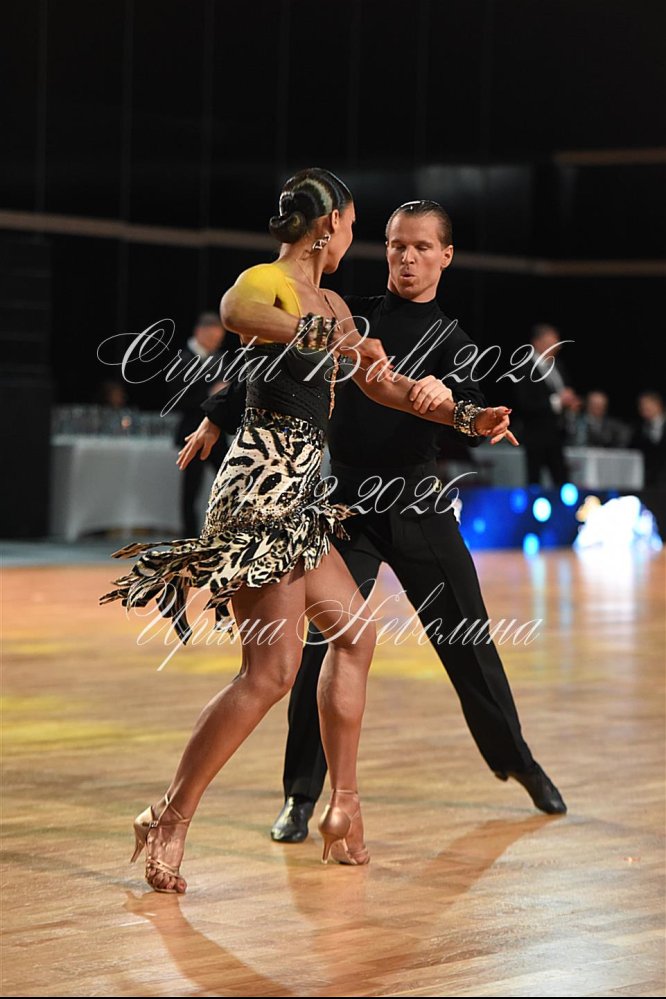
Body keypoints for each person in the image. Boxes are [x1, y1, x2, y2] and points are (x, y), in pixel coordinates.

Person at [99, 172, 516, 894]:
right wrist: (330, 339)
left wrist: (464, 416)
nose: (360, 240)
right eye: (353, 226)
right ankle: (168, 816)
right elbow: (238, 311)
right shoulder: (271, 284)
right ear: (328, 228)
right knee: (269, 674)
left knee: (356, 634)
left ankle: (343, 807)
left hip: (301, 499)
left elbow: (380, 383)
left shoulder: (335, 306)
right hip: (259, 491)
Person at [183, 199, 566, 848]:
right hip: (344, 507)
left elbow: (467, 406)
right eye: (395, 245)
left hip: (417, 504)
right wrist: (217, 416)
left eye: (421, 247)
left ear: (446, 256)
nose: (407, 258)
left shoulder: (455, 341)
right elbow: (271, 360)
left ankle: (520, 763)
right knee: (321, 647)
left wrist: (457, 402)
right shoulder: (348, 316)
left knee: (469, 642)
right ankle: (300, 796)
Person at [171, 312, 241, 536]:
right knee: (191, 487)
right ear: (200, 332)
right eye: (212, 338)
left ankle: (226, 529)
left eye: (218, 340)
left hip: (216, 432)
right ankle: (189, 535)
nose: (215, 344)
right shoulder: (182, 359)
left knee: (229, 479)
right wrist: (210, 394)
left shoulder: (219, 358)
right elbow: (177, 398)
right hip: (191, 430)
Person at [511, 323, 579, 486]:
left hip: (557, 436)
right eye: (551, 343)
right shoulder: (525, 368)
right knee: (534, 481)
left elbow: (564, 393)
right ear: (537, 342)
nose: (556, 347)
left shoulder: (558, 366)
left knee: (561, 481)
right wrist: (558, 401)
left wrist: (570, 403)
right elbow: (525, 403)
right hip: (535, 437)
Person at [630, 390, 666, 487]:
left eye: (646, 404)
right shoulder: (638, 428)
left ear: (658, 405)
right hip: (647, 481)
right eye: (641, 406)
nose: (643, 408)